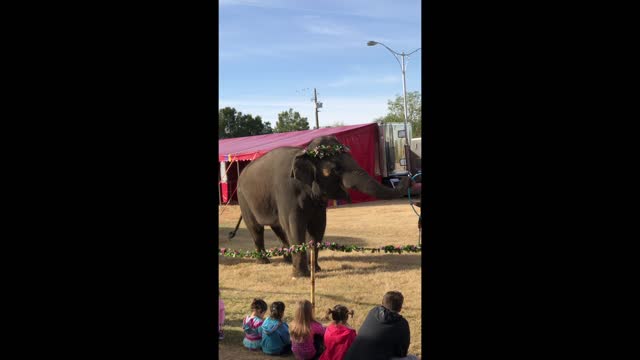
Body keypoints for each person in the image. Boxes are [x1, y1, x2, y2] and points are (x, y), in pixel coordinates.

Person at [344, 291, 418, 360]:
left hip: (351, 357)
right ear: (400, 308)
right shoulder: (402, 323)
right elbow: (402, 353)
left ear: (382, 303)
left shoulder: (373, 311)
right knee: (413, 358)